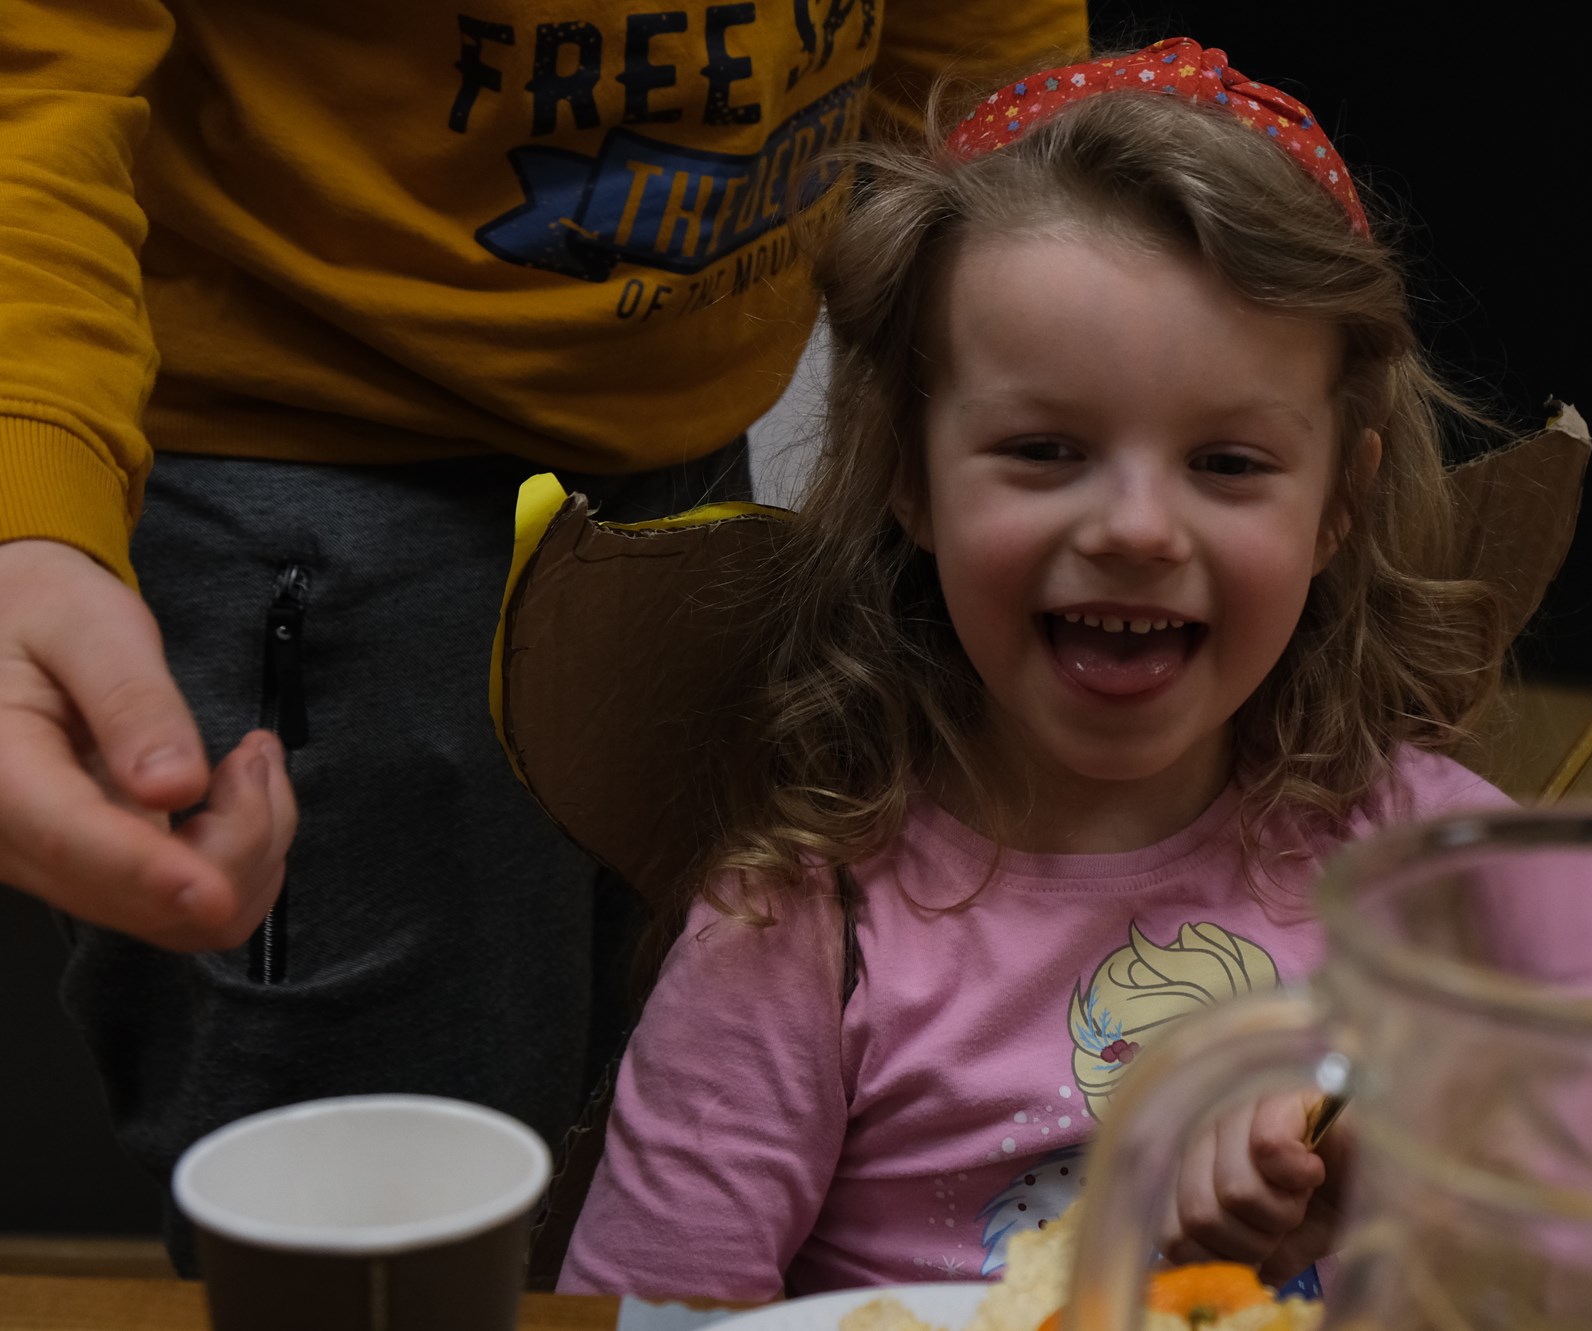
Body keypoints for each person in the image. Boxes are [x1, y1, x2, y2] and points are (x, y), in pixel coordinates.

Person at [0, 0, 1087, 1270]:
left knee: (657, 1113)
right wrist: (30, 502)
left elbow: (971, 73)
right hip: (312, 467)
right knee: (388, 1228)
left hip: (682, 456)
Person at [552, 37, 1506, 1301]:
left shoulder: (1432, 872)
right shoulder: (799, 934)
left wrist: (1393, 1139)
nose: (1135, 529)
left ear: (1341, 500)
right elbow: (647, 1315)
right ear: (909, 473)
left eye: (1226, 463)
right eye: (1045, 449)